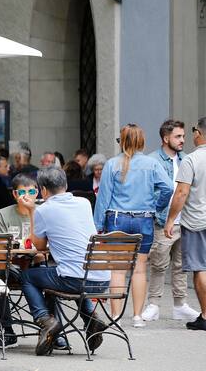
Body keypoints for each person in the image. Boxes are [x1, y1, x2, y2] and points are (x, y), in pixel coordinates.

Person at [19, 167, 110, 356]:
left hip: (75, 280)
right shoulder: (84, 203)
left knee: (27, 276)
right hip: (102, 280)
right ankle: (90, 318)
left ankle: (46, 320)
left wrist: (32, 212)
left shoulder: (43, 210)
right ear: (66, 185)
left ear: (43, 190)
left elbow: (39, 245)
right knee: (63, 271)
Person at [94, 124, 173, 327]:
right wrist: (157, 207)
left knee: (118, 270)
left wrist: (98, 225)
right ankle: (137, 316)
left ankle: (115, 316)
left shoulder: (112, 164)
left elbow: (103, 198)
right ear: (141, 141)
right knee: (139, 269)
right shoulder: (151, 164)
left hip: (117, 219)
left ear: (122, 140)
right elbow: (167, 188)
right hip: (143, 219)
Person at [144, 120, 200, 322]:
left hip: (186, 220)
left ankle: (180, 304)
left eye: (183, 136)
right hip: (163, 220)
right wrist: (158, 211)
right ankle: (154, 304)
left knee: (181, 265)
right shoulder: (153, 160)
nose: (182, 140)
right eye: (178, 136)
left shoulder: (187, 158)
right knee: (159, 264)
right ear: (165, 138)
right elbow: (148, 192)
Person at [0, 174, 46, 347]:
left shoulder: (43, 212)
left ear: (37, 192)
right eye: (22, 191)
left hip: (36, 264)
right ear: (15, 194)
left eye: (31, 191)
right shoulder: (3, 214)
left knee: (51, 275)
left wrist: (33, 212)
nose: (27, 195)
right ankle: (6, 330)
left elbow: (47, 246)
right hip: (11, 265)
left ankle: (52, 332)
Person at [164, 117, 206, 331]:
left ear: (199, 133)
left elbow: (181, 193)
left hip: (197, 222)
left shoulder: (191, 160)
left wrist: (170, 219)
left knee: (200, 269)